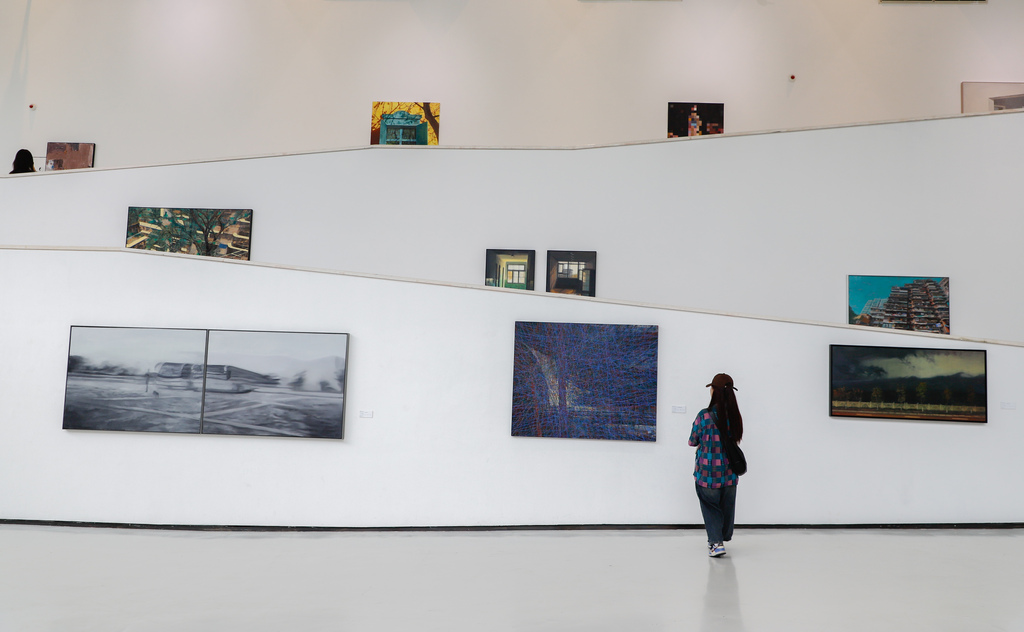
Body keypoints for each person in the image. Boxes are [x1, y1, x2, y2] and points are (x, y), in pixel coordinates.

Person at [688, 373, 743, 557]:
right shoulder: (734, 416)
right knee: (727, 506)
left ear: (714, 391)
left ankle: (716, 542)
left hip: (707, 473)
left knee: (711, 507)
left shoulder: (704, 415)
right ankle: (724, 535)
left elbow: (692, 441)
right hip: (729, 473)